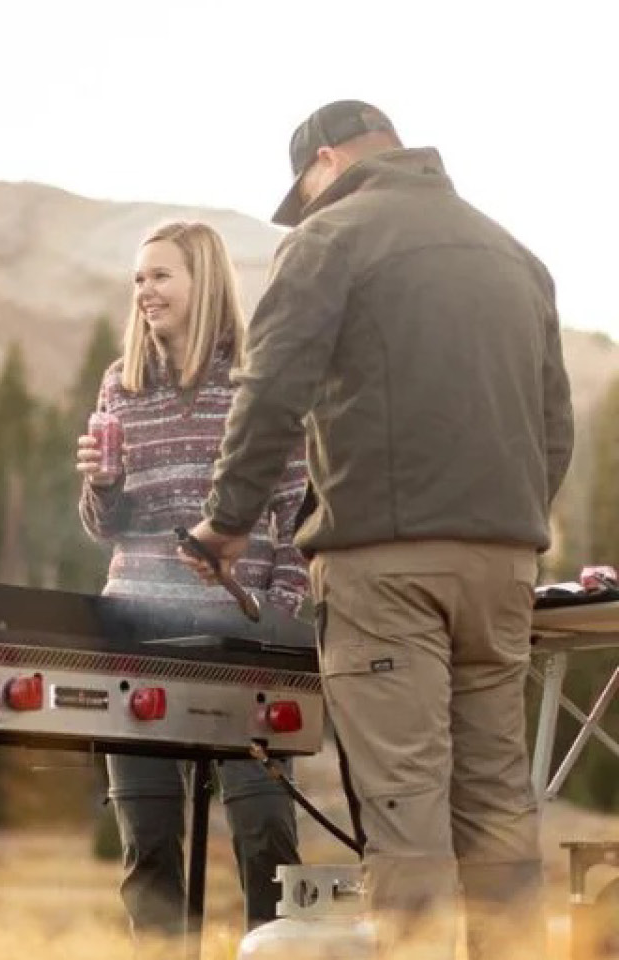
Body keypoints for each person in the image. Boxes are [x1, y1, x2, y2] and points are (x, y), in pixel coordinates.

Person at [180, 100, 574, 960]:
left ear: (325, 159)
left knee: (406, 805)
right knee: (500, 804)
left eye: (308, 191)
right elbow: (555, 430)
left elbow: (272, 390)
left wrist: (228, 523)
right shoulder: (516, 256)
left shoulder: (330, 239)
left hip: (383, 568)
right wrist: (504, 524)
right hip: (502, 566)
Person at [77, 220, 310, 939]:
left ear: (202, 281)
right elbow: (105, 526)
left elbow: (298, 513)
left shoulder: (257, 381)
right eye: (138, 278)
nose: (144, 291)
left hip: (243, 639)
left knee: (265, 831)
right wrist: (104, 487)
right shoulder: (122, 383)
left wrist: (276, 614)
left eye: (160, 275)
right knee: (147, 842)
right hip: (138, 629)